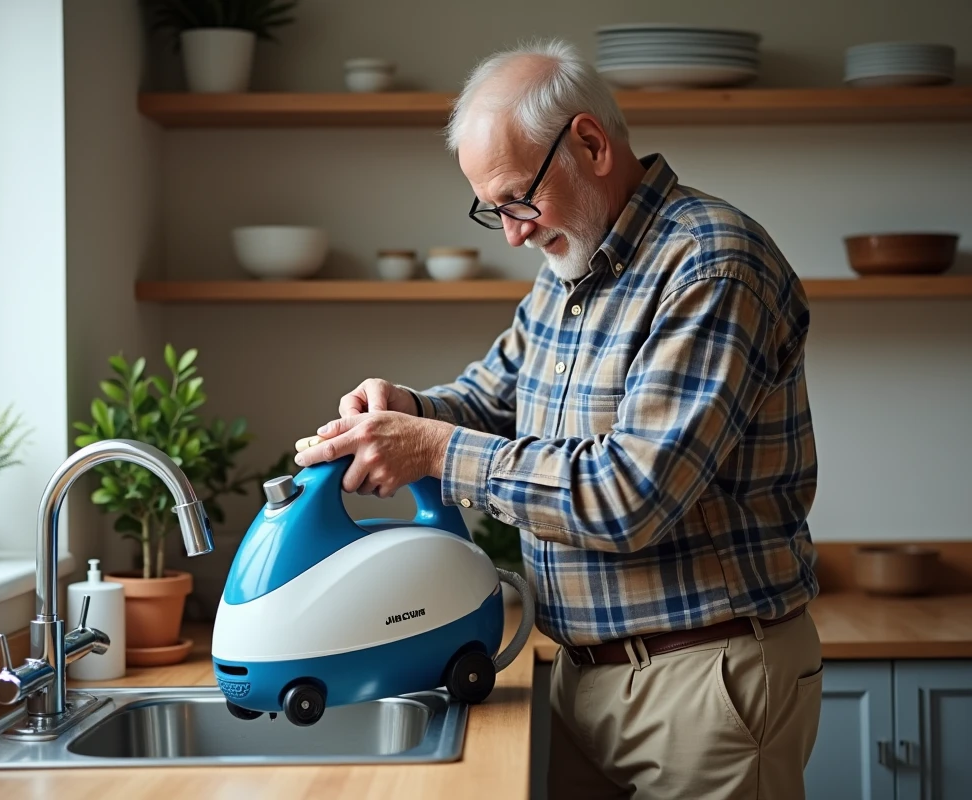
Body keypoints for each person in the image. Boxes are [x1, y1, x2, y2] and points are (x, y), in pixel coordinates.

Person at [294, 39, 822, 799]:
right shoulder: (571, 268)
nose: (511, 232)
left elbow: (629, 496)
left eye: (516, 199)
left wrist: (432, 449)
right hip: (580, 674)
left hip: (704, 682)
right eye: (492, 209)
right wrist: (407, 410)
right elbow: (492, 395)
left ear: (591, 144)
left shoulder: (711, 263)